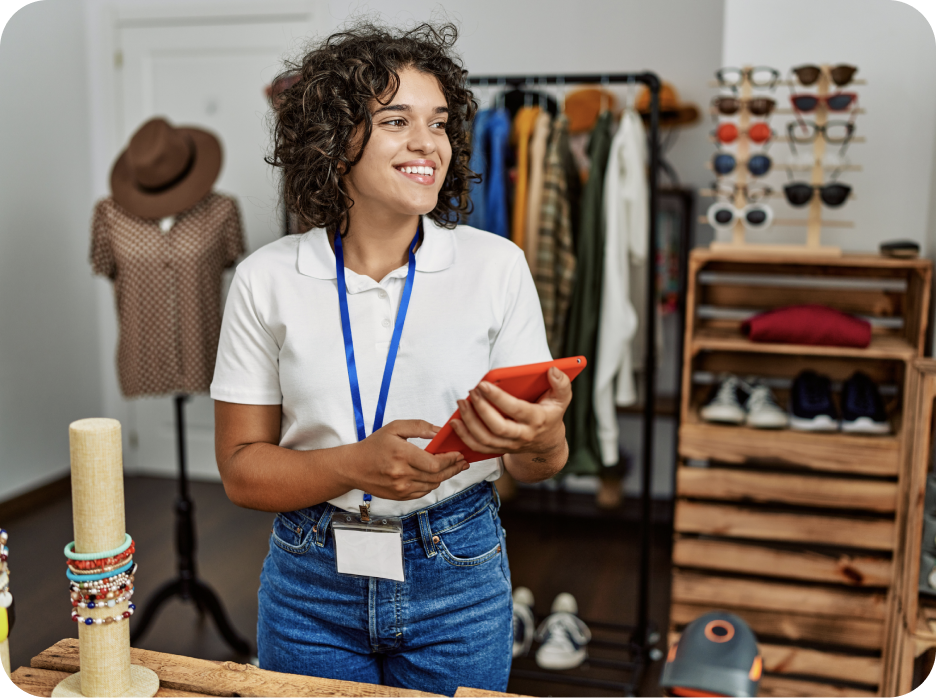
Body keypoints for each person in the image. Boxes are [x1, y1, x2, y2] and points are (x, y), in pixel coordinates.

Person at [211, 21, 573, 695]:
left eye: (438, 123)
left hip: (458, 569)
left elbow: (538, 464)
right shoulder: (267, 277)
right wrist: (353, 465)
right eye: (396, 120)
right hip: (310, 579)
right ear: (333, 140)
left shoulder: (496, 266)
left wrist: (546, 435)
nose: (426, 144)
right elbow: (240, 472)